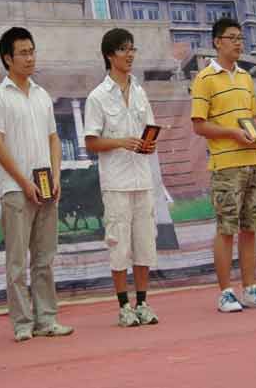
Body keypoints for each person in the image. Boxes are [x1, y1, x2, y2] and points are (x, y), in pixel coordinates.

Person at [0, 27, 73, 342]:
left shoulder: (41, 94)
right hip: (15, 190)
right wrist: (24, 183)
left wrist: (56, 177)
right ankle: (22, 322)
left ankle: (46, 319)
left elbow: (54, 139)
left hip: (47, 188)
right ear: (7, 58)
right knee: (17, 262)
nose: (30, 58)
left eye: (32, 51)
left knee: (44, 259)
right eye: (23, 52)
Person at [191, 18, 256, 313]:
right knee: (226, 229)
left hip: (253, 161)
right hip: (226, 165)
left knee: (250, 228)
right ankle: (225, 293)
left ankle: (250, 290)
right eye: (232, 38)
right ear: (217, 42)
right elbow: (199, 125)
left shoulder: (246, 77)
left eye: (241, 38)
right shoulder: (205, 78)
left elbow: (250, 118)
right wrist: (232, 133)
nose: (239, 43)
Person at [84, 28, 160, 327]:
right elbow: (91, 142)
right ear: (109, 55)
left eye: (132, 49)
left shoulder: (140, 92)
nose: (130, 55)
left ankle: (142, 302)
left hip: (142, 179)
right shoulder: (97, 97)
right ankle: (124, 306)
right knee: (119, 246)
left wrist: (149, 144)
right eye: (123, 49)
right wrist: (120, 142)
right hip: (116, 183)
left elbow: (150, 130)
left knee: (144, 244)